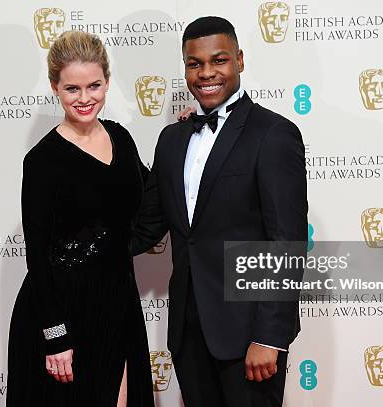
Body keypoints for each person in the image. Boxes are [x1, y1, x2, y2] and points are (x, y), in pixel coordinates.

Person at [132, 16, 308, 407]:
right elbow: (145, 227)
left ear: (240, 61)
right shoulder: (172, 139)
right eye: (194, 64)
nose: (206, 73)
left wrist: (269, 337)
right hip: (188, 331)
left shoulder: (273, 133)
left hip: (249, 336)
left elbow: (286, 242)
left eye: (219, 60)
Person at [7, 30, 154, 407]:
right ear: (55, 87)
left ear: (107, 81)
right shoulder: (42, 161)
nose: (85, 98)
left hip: (118, 303)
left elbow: (155, 196)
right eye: (72, 88)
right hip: (63, 313)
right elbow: (37, 257)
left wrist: (184, 133)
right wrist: (55, 336)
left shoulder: (121, 139)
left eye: (94, 86)